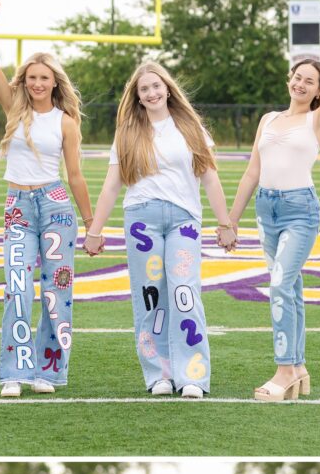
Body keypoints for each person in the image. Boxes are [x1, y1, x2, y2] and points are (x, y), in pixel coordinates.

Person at [225, 12, 320, 401]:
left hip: (300, 210)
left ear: (318, 91)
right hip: (266, 211)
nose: (302, 84)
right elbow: (252, 171)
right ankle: (299, 367)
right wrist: (231, 220)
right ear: (290, 80)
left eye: (310, 81)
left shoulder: (318, 120)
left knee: (280, 284)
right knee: (292, 288)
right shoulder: (268, 119)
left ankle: (284, 371)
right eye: (298, 77)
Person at [83, 64, 235, 398]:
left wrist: (225, 224)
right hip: (141, 222)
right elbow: (112, 185)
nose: (151, 93)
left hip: (184, 220)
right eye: (144, 90)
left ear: (167, 88)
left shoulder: (190, 127)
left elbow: (209, 177)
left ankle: (192, 374)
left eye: (156, 86)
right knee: (150, 297)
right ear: (137, 98)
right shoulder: (127, 132)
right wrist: (95, 231)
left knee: (184, 292)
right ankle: (159, 375)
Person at [0, 25, 89, 396]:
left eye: (44, 78)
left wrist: (91, 224)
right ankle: (14, 372)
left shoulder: (65, 122)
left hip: (55, 206)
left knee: (57, 294)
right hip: (18, 208)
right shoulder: (15, 110)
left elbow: (74, 175)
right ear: (23, 82)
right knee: (17, 288)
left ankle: (50, 372)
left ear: (55, 82)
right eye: (31, 78)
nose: (37, 84)